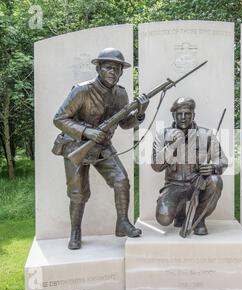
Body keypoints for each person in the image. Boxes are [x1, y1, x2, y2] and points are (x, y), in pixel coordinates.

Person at [52, 48, 149, 249]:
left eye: (117, 69)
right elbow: (59, 119)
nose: (113, 72)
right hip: (75, 146)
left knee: (121, 180)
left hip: (103, 146)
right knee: (78, 193)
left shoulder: (121, 94)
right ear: (98, 68)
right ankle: (75, 232)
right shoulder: (82, 90)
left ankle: (122, 222)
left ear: (122, 72)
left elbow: (124, 124)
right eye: (108, 68)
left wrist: (140, 114)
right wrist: (87, 132)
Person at [151, 97, 228, 235]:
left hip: (197, 183)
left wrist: (213, 168)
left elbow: (222, 160)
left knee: (216, 182)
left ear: (193, 114)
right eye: (179, 113)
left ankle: (198, 219)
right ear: (173, 115)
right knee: (163, 218)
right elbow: (156, 167)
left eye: (187, 113)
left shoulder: (206, 134)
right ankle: (179, 210)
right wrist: (172, 145)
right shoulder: (162, 135)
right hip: (173, 186)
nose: (183, 117)